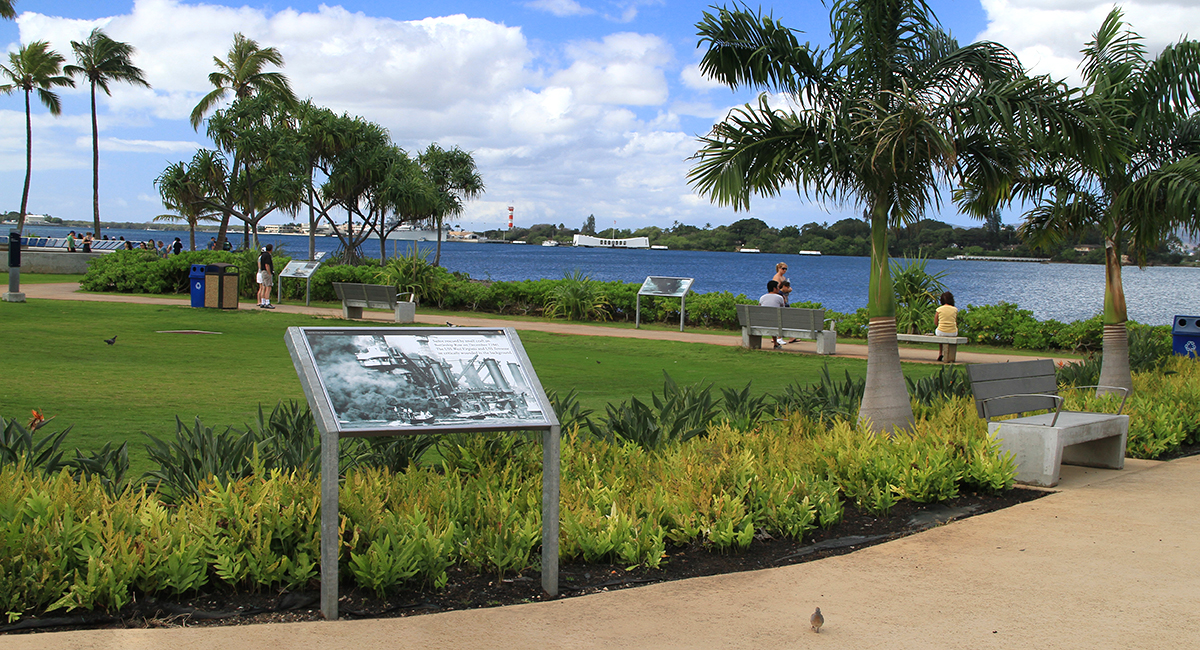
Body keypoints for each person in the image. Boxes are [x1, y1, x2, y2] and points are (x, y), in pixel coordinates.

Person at [759, 280, 786, 349]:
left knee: (771, 320)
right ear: (774, 288)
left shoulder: (762, 297)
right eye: (778, 287)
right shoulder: (779, 297)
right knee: (775, 321)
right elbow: (783, 310)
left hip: (763, 322)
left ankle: (775, 343)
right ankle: (776, 343)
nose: (779, 289)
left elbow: (759, 308)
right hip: (776, 323)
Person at [934, 291, 959, 362]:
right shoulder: (955, 309)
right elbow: (955, 321)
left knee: (940, 333)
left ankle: (940, 353)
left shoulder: (939, 309)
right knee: (951, 332)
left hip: (941, 331)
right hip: (953, 332)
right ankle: (950, 355)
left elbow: (936, 322)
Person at [257, 243, 275, 309]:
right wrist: (269, 273)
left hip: (262, 272)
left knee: (264, 287)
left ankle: (263, 302)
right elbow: (267, 265)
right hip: (266, 272)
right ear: (271, 249)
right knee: (268, 287)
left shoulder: (262, 256)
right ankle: (267, 302)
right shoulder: (268, 255)